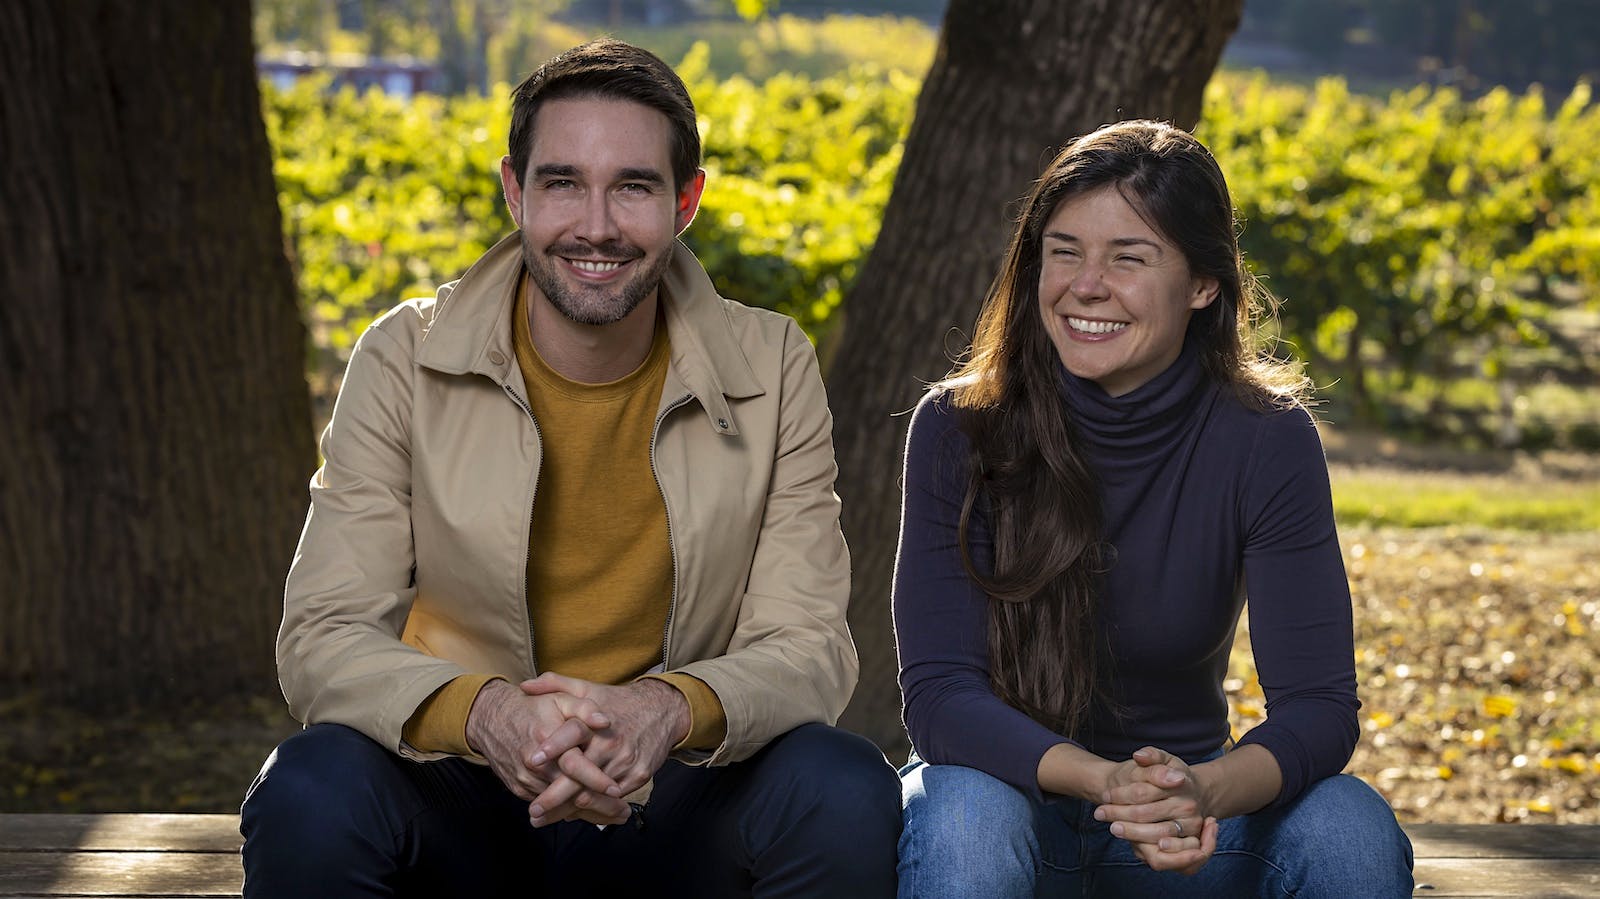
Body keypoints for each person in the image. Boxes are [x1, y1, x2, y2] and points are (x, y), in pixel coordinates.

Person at [240, 39, 899, 898]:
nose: (596, 225)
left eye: (633, 186)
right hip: (461, 787)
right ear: (515, 191)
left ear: (686, 201)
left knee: (843, 786)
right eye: (562, 183)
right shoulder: (403, 357)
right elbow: (323, 634)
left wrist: (663, 710)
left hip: (670, 793)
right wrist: (490, 713)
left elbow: (810, 646)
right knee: (309, 787)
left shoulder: (771, 365)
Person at [891, 120, 1414, 897]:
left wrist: (1201, 791)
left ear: (1204, 284)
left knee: (1349, 824)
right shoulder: (958, 426)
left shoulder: (1267, 439)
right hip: (1003, 807)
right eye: (1064, 251)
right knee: (964, 816)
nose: (1085, 284)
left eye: (1128, 258)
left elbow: (1319, 707)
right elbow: (940, 699)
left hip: (1186, 826)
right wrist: (1104, 780)